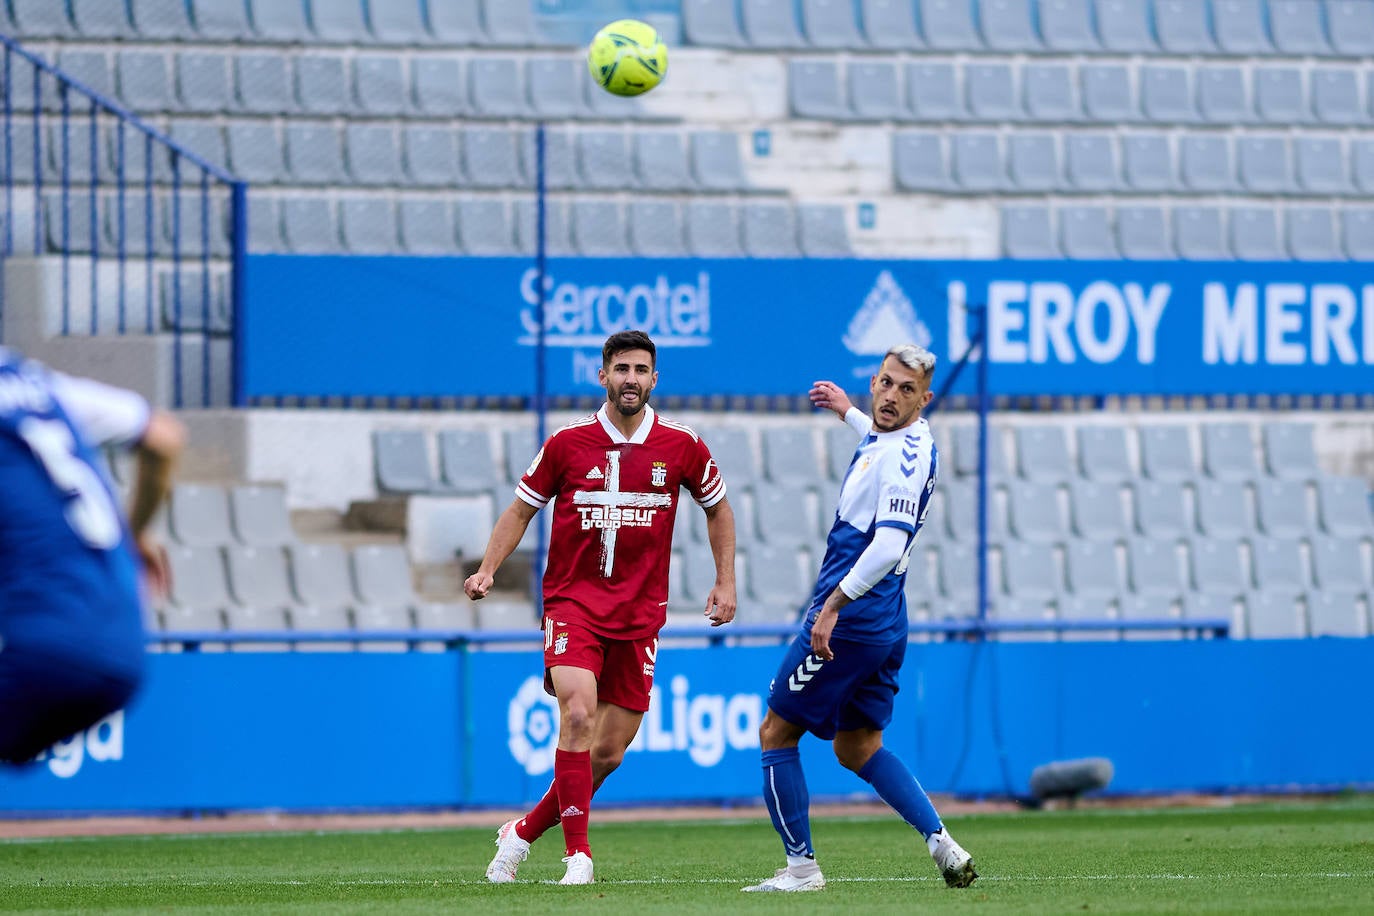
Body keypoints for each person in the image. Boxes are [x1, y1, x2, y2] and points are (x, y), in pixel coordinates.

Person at [467, 330, 737, 886]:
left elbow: (719, 509)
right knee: (580, 714)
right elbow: (520, 511)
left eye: (641, 370)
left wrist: (724, 581)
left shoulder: (682, 445)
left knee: (609, 752)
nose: (631, 379)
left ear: (654, 379)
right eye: (621, 369)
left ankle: (519, 834)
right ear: (603, 376)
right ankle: (579, 857)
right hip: (574, 604)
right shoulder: (568, 442)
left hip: (640, 614)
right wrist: (488, 567)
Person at [741, 343, 977, 893]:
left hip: (852, 615)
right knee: (857, 747)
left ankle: (801, 870)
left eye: (906, 390)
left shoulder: (900, 456)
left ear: (926, 398)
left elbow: (889, 543)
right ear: (875, 381)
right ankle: (941, 842)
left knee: (776, 732)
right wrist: (849, 412)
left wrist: (831, 608)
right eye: (887, 384)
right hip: (888, 616)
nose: (892, 396)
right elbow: (879, 442)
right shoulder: (908, 438)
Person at [0, 347, 185, 765]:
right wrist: (134, 535)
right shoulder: (41, 386)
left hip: (46, 648)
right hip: (125, 655)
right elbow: (164, 435)